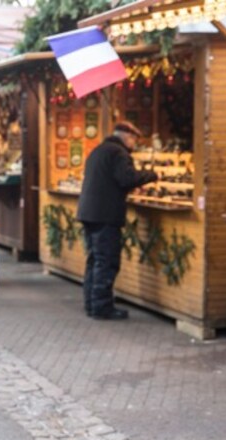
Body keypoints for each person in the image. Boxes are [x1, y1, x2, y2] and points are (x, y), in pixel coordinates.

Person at [77, 121, 158, 320]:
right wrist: (151, 175)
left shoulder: (99, 150)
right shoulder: (119, 153)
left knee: (94, 260)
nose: (134, 144)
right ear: (127, 137)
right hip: (105, 215)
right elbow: (126, 178)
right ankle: (102, 307)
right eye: (134, 140)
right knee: (106, 261)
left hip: (89, 213)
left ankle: (91, 303)